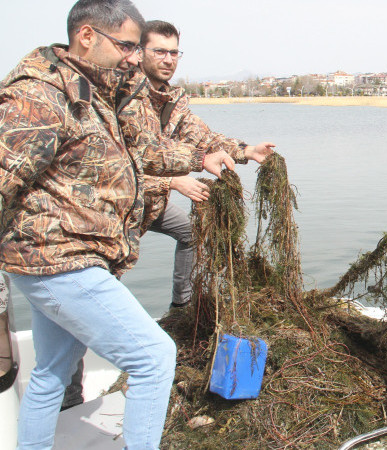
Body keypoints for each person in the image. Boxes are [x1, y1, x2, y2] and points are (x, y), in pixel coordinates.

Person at [0, 1, 234, 448]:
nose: (134, 57)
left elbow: (145, 151)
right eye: (127, 46)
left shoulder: (97, 91)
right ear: (87, 36)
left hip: (75, 256)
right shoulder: (40, 96)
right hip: (58, 258)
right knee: (153, 355)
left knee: (51, 370)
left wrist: (204, 158)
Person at [138, 20, 276, 309]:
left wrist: (247, 150)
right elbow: (120, 166)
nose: (168, 59)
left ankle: (181, 307)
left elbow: (203, 137)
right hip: (116, 208)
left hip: (151, 202)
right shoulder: (123, 97)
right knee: (109, 272)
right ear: (139, 52)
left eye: (174, 53)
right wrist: (172, 182)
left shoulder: (171, 100)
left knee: (189, 232)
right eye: (160, 51)